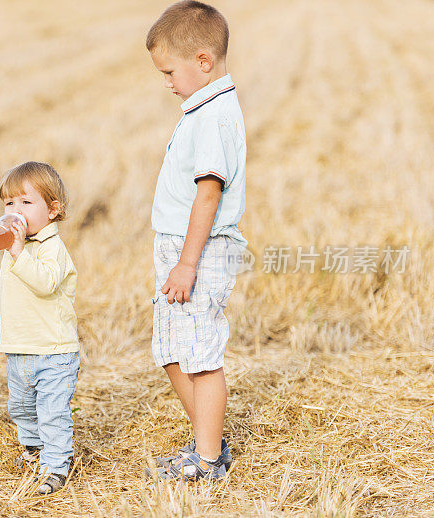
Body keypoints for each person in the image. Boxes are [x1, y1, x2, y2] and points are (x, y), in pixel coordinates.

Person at [144, 1, 247, 481]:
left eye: (169, 71)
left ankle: (207, 460)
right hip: (180, 248)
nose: (166, 82)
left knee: (201, 353)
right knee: (170, 349)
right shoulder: (203, 108)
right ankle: (210, 442)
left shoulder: (213, 115)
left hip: (199, 251)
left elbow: (208, 194)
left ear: (203, 61)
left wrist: (187, 263)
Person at [0, 161, 80, 494]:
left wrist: (16, 252)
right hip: (20, 348)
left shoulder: (52, 249)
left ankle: (56, 466)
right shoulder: (16, 250)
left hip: (53, 350)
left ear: (53, 210)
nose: (15, 211)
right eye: (9, 203)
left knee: (52, 412)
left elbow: (43, 283)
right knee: (22, 407)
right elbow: (15, 284)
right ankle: (34, 449)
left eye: (25, 203)